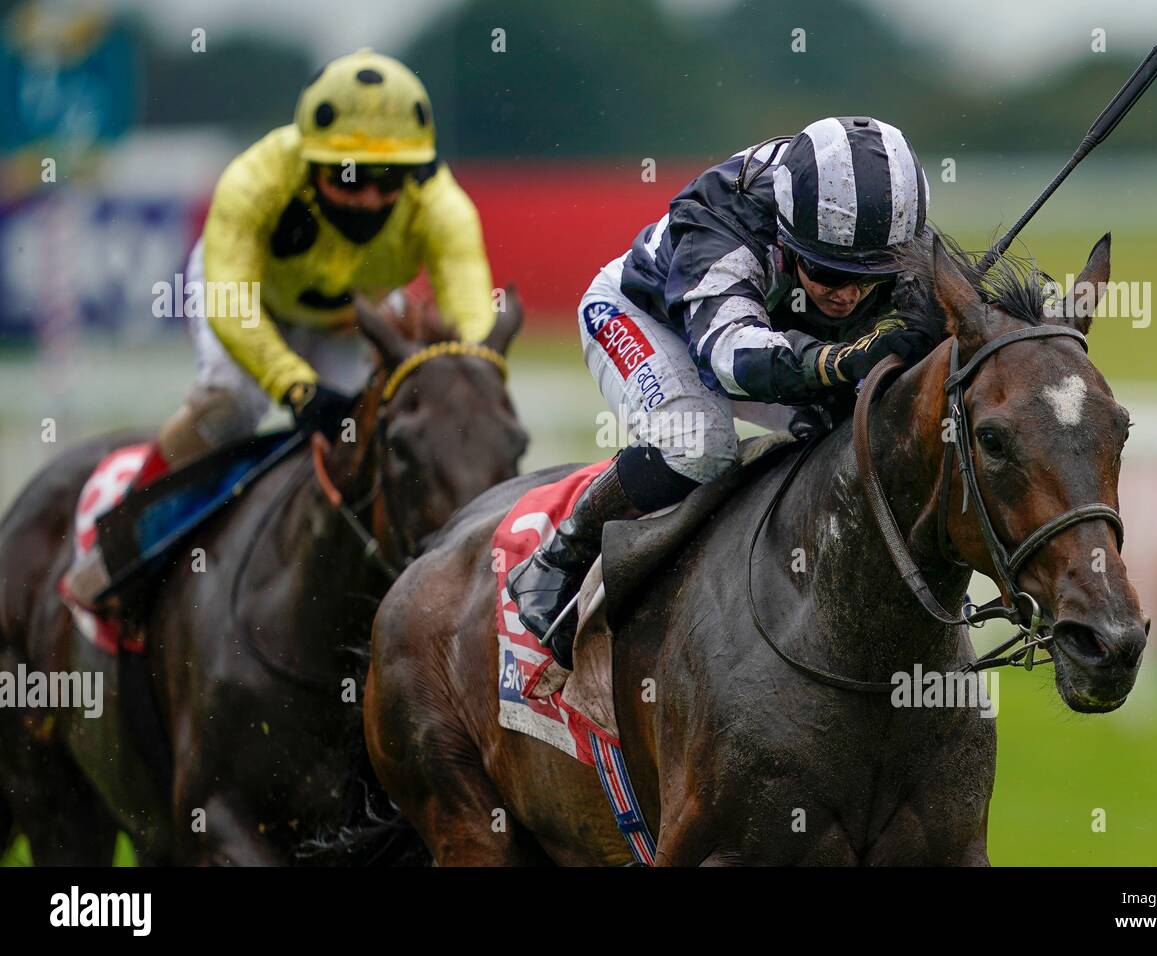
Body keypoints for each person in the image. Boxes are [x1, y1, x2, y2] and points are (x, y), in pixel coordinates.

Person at [64, 48, 496, 610]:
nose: (369, 195)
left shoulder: (445, 206)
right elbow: (232, 302)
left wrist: (470, 379)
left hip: (348, 316)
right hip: (245, 301)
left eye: (389, 177)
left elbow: (471, 320)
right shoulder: (254, 181)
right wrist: (296, 386)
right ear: (311, 161)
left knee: (384, 422)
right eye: (351, 176)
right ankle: (119, 546)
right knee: (230, 404)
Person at [507, 116, 944, 667]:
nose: (850, 295)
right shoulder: (728, 220)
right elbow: (728, 355)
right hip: (653, 317)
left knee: (860, 422)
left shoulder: (894, 230)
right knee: (698, 443)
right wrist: (838, 360)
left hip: (775, 324)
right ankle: (560, 554)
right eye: (828, 273)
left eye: (872, 276)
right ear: (786, 235)